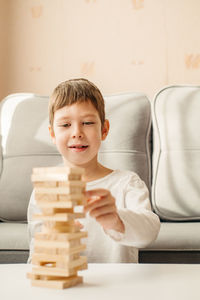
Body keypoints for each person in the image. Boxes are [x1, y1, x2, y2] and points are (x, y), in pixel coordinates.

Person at [27, 78, 160, 263]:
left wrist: (117, 220)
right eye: (65, 125)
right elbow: (36, 256)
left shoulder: (127, 182)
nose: (76, 133)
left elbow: (150, 231)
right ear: (52, 134)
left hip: (119, 288)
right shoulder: (45, 190)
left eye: (87, 123)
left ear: (104, 130)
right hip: (68, 290)